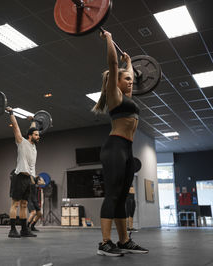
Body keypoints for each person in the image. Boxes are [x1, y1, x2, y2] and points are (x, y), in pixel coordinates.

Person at [92, 30, 148, 256]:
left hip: (127, 148)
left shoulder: (128, 96)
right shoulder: (114, 94)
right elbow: (112, 63)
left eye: (131, 79)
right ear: (116, 81)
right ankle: (105, 242)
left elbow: (128, 72)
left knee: (123, 197)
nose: (131, 82)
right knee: (113, 195)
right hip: (114, 147)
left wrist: (129, 62)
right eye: (126, 78)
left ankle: (124, 240)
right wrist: (108, 39)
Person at [7, 107, 40, 238]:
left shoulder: (34, 147)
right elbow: (15, 126)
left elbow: (32, 129)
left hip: (28, 179)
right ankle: (12, 230)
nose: (38, 136)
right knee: (15, 204)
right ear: (30, 136)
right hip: (19, 177)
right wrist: (11, 113)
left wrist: (33, 121)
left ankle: (24, 230)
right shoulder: (21, 142)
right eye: (36, 135)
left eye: (38, 135)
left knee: (25, 204)